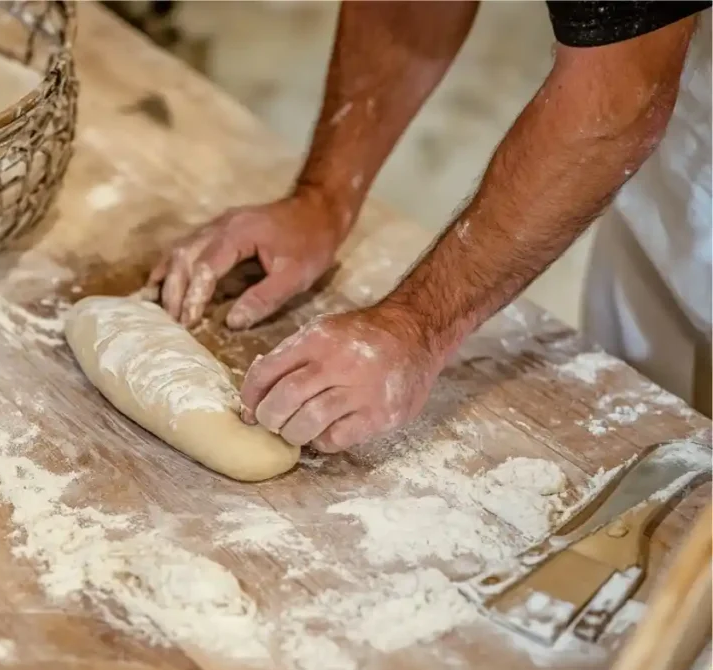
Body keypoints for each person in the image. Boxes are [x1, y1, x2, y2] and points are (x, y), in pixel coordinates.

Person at [148, 1, 712, 452]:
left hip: (648, 100)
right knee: (642, 446)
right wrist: (324, 197)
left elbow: (614, 108)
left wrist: (414, 327)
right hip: (681, 119)